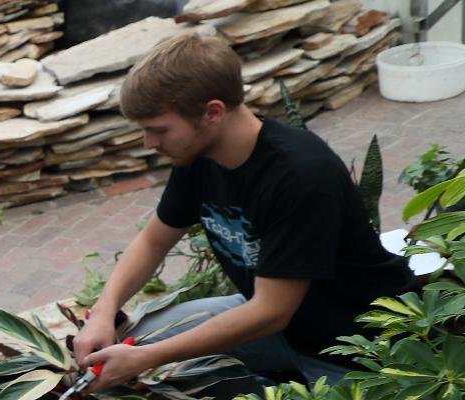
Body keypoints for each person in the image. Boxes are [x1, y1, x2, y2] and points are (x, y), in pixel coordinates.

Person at [72, 33, 415, 393]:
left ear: (213, 112)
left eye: (158, 130)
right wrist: (103, 312)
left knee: (146, 353)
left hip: (349, 348)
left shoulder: (300, 176)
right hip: (272, 321)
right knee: (134, 340)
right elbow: (153, 241)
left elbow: (272, 311)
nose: (149, 143)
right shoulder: (198, 155)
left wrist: (148, 358)